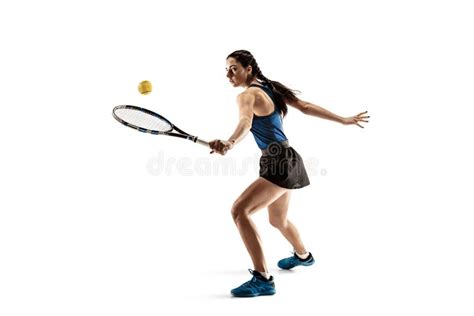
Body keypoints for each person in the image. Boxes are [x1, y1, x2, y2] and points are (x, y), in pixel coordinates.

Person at [209, 50, 369, 297]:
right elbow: (304, 107)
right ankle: (303, 256)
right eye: (226, 70)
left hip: (278, 162)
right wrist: (343, 120)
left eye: (233, 68)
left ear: (248, 69)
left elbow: (245, 123)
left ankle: (263, 278)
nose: (228, 74)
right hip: (289, 158)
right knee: (278, 220)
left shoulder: (248, 95)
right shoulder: (270, 87)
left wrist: (230, 142)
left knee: (239, 210)